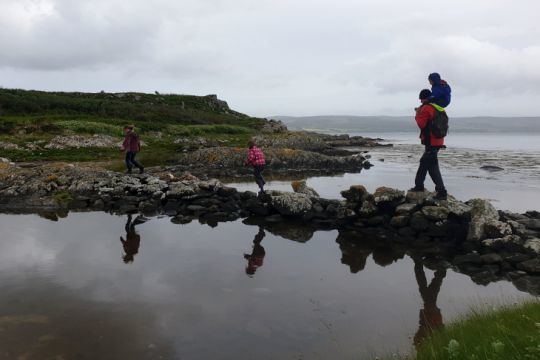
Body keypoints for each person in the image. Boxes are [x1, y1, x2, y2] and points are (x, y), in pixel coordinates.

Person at [411, 89, 448, 200]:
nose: (420, 100)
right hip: (438, 140)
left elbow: (421, 124)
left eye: (421, 98)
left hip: (431, 141)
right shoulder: (438, 107)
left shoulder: (426, 108)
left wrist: (417, 113)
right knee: (432, 165)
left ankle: (423, 187)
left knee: (424, 163)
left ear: (423, 98)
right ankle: (438, 190)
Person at [413, 259, 446, 348]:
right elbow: (440, 328)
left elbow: (417, 338)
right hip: (431, 315)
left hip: (430, 315)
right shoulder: (432, 342)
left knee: (426, 291)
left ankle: (440, 273)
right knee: (426, 291)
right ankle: (439, 272)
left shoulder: (425, 343)